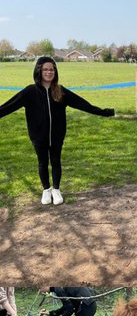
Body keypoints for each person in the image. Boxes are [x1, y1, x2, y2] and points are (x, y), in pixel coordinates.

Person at [0, 57, 115, 205]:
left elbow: (82, 104)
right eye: (46, 69)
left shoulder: (60, 91)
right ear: (39, 70)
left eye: (52, 69)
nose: (49, 72)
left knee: (55, 161)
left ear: (55, 72)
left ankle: (56, 189)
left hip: (57, 135)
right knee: (42, 162)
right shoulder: (30, 91)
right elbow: (8, 106)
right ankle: (46, 190)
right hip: (38, 136)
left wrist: (105, 112)